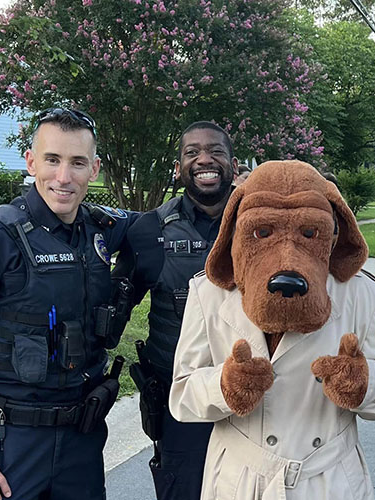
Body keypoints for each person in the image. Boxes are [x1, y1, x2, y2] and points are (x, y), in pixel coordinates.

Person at [0, 108, 138, 500]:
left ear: (95, 168)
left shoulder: (101, 227)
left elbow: (166, 224)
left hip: (84, 439)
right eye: (52, 160)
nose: (63, 177)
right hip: (16, 442)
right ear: (30, 161)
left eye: (77, 163)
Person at [112, 121, 237, 500]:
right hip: (182, 401)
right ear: (179, 165)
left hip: (256, 395)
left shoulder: (264, 221)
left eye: (215, 150)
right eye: (192, 152)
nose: (204, 159)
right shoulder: (148, 231)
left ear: (232, 162)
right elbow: (110, 313)